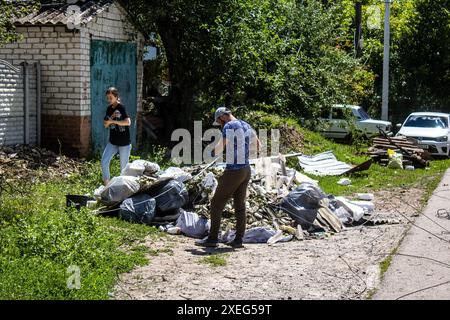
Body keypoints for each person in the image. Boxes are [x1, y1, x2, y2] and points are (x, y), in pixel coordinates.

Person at [196, 107, 260, 248]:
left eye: (219, 122)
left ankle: (212, 239)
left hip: (234, 171)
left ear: (222, 117)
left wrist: (210, 152)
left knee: (216, 204)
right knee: (240, 205)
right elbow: (258, 145)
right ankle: (238, 239)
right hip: (246, 169)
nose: (220, 125)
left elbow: (219, 148)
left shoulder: (229, 126)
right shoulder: (246, 124)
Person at [101, 87, 132, 185]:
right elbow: (106, 124)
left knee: (124, 169)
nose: (109, 99)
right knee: (104, 161)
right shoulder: (109, 109)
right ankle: (107, 185)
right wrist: (109, 120)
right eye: (107, 97)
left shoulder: (121, 107)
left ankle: (124, 189)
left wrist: (113, 121)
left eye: (111, 97)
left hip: (124, 143)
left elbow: (128, 122)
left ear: (116, 97)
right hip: (113, 141)